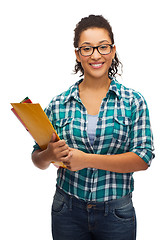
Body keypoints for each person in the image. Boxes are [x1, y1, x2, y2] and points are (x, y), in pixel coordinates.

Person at [32, 15, 155, 240]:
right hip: (66, 210)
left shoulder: (133, 101)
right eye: (87, 49)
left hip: (116, 214)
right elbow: (37, 158)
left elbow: (143, 158)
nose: (96, 55)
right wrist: (49, 154)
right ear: (78, 54)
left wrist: (86, 159)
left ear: (113, 50)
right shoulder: (59, 103)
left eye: (103, 47)